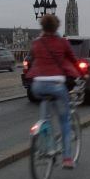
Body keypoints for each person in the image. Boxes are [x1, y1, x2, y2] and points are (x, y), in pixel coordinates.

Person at [26, 14, 81, 169]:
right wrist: (83, 74)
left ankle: (48, 147)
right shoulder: (62, 42)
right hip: (56, 85)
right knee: (64, 120)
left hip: (37, 85)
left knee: (44, 118)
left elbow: (32, 60)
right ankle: (67, 158)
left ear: (42, 27)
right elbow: (73, 61)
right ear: (56, 27)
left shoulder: (36, 43)